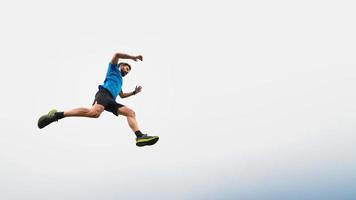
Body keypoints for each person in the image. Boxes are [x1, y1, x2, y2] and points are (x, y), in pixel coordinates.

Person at [37, 52, 159, 147]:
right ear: (120, 65)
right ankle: (56, 115)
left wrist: (133, 93)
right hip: (103, 94)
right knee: (94, 113)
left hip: (112, 99)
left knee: (130, 112)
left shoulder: (120, 82)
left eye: (128, 71)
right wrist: (132, 57)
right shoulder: (113, 68)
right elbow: (116, 54)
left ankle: (139, 136)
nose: (127, 72)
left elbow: (121, 95)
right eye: (126, 69)